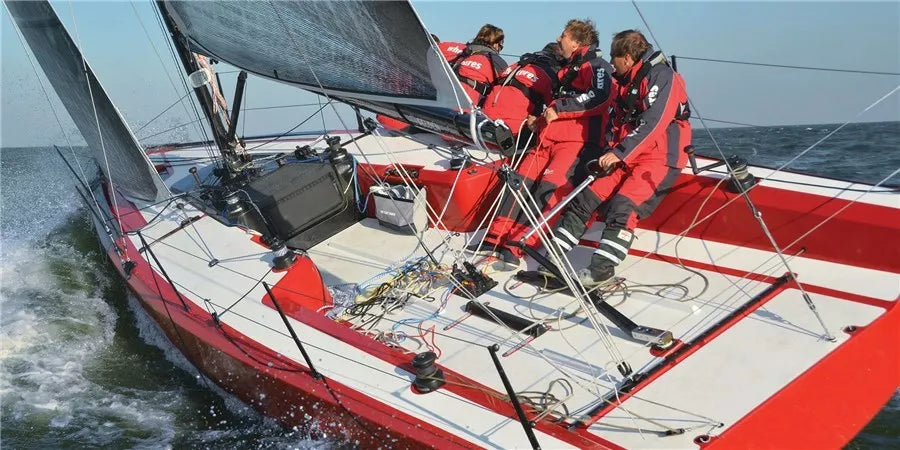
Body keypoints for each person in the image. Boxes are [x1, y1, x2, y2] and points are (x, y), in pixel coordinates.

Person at [549, 29, 692, 285]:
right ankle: (551, 260)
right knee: (585, 199)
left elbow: (654, 122)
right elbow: (616, 118)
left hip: (658, 154)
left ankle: (600, 272)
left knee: (623, 207)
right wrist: (612, 150)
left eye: (614, 58)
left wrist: (619, 153)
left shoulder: (664, 77)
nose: (611, 64)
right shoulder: (624, 80)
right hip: (623, 152)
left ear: (627, 58)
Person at [469, 19, 615, 265]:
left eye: (564, 36)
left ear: (578, 42)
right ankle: (494, 238)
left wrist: (559, 108)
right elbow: (558, 102)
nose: (559, 40)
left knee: (547, 193)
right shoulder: (568, 69)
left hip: (575, 143)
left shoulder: (597, 66)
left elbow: (599, 97)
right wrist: (540, 119)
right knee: (517, 185)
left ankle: (517, 246)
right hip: (546, 138)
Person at [482, 42, 563, 141]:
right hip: (512, 131)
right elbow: (556, 107)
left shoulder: (516, 65)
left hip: (484, 122)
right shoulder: (550, 75)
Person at [448, 24, 508, 107]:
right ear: (495, 44)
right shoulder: (498, 63)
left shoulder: (460, 54)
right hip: (470, 113)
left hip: (444, 104)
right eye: (501, 47)